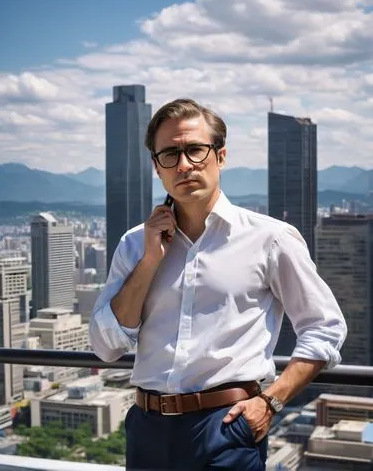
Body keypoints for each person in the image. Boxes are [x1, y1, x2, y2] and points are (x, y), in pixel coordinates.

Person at [89, 98, 347, 470]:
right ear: (156, 167)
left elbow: (325, 328)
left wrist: (271, 401)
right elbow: (106, 346)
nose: (184, 165)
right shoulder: (135, 244)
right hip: (146, 427)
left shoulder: (270, 238)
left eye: (195, 150)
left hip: (226, 427)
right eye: (170, 155)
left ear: (220, 156)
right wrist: (150, 261)